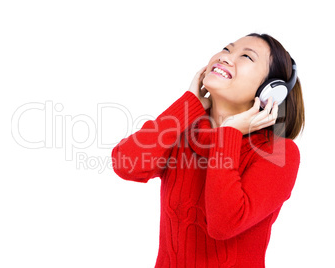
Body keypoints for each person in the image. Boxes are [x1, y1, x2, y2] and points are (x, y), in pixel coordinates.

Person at [111, 33, 305, 268]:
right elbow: (126, 164)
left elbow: (224, 224)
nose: (225, 57)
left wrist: (229, 133)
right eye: (226, 49)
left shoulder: (278, 153)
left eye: (246, 56)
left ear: (270, 91)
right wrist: (187, 106)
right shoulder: (183, 129)